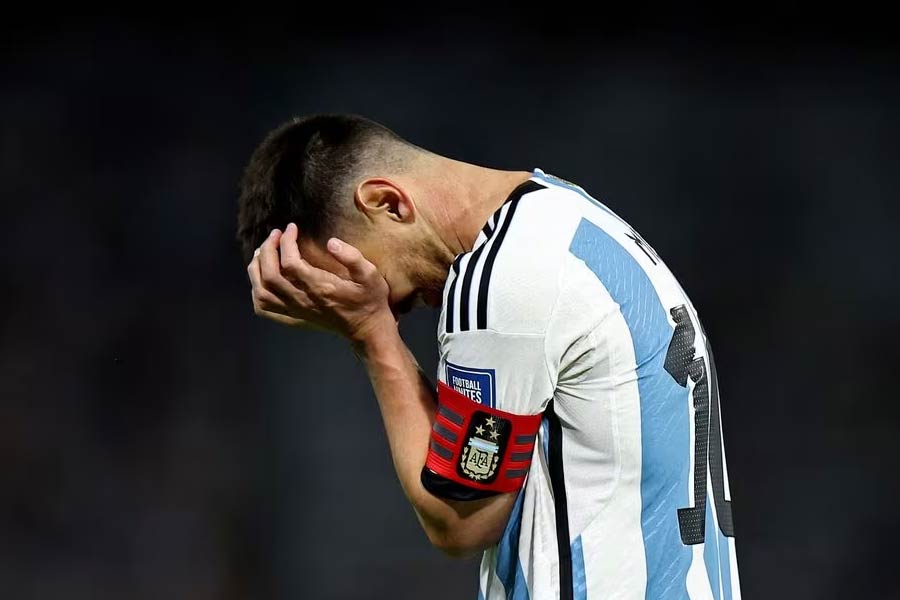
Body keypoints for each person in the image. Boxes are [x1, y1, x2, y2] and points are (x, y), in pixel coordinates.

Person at [237, 114, 741, 599]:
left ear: (387, 202)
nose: (385, 299)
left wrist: (371, 333)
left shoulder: (503, 276)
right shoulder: (572, 215)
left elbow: (460, 520)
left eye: (355, 272)